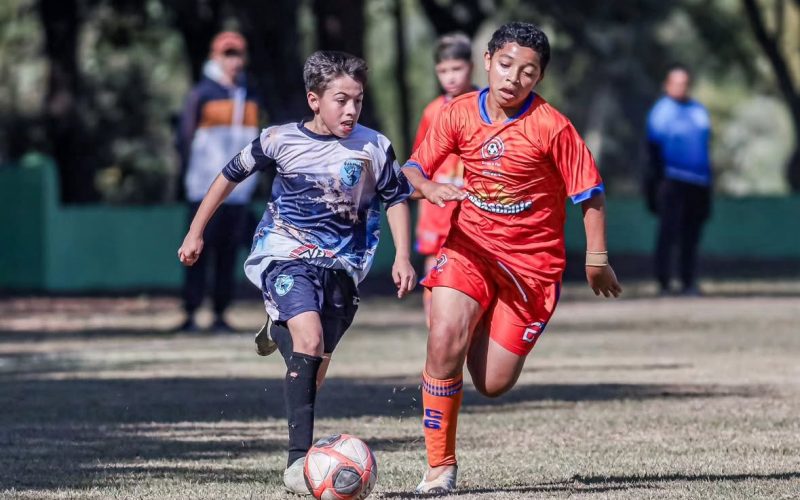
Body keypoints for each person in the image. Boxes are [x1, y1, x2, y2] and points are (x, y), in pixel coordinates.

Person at [177, 50, 416, 495]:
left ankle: (277, 325)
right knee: (309, 339)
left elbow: (397, 197)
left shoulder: (374, 147)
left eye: (358, 101)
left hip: (343, 267)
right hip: (285, 254)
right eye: (341, 100)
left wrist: (403, 255)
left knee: (314, 368)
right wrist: (196, 231)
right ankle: (296, 464)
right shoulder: (278, 139)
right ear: (314, 99)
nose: (351, 110)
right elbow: (228, 176)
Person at [400, 22, 622, 494]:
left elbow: (591, 194)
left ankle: (479, 319)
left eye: (527, 72)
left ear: (539, 78)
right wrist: (428, 186)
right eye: (505, 65)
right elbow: (413, 168)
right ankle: (439, 468)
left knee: (492, 383)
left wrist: (597, 259)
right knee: (443, 340)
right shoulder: (458, 113)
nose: (513, 78)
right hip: (470, 249)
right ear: (487, 61)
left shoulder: (552, 126)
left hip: (530, 268)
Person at [176, 31, 262, 332]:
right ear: (215, 57)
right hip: (203, 188)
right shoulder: (202, 93)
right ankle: (190, 311)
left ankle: (220, 313)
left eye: (237, 54)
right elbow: (185, 138)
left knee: (228, 253)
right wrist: (189, 176)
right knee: (196, 250)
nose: (233, 61)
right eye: (227, 54)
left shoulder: (250, 94)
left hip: (239, 192)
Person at [414, 33, 475, 325]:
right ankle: (435, 328)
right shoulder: (432, 111)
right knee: (434, 266)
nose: (450, 77)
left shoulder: (487, 105)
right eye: (443, 70)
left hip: (474, 207)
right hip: (437, 210)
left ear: (471, 67)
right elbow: (419, 166)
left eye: (456, 68)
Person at [645, 64, 712, 296]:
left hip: (699, 182)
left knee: (691, 234)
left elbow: (705, 146)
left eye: (684, 83)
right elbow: (653, 150)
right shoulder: (661, 111)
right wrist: (655, 185)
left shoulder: (698, 111)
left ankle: (688, 281)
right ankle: (664, 282)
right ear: (667, 85)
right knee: (668, 232)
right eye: (676, 83)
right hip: (671, 180)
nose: (681, 87)